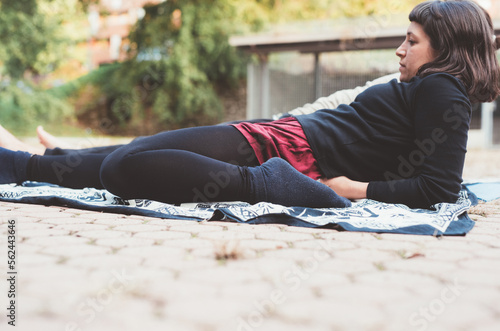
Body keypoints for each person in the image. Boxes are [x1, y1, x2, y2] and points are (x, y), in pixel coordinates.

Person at [1, 0, 499, 209]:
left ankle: (269, 186)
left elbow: (439, 187)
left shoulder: (442, 91)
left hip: (290, 155)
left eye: (410, 41)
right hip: (288, 136)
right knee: (134, 154)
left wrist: (357, 188)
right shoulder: (426, 87)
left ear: (446, 49)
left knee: (126, 165)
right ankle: (23, 164)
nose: (400, 49)